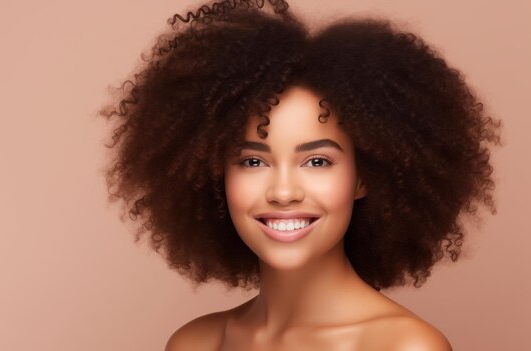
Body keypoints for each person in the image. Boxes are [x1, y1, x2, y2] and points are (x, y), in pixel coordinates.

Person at [99, 0, 501, 349]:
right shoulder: (195, 343)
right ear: (214, 175)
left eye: (317, 161)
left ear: (364, 177)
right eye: (253, 161)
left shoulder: (404, 346)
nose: (284, 191)